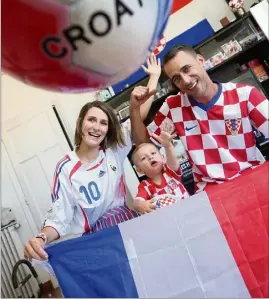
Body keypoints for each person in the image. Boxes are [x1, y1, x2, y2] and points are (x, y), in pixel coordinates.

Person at [24, 54, 160, 261]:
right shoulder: (66, 168)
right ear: (80, 123)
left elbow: (138, 114)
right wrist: (41, 238)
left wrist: (154, 77)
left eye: (103, 123)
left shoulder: (114, 150)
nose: (97, 127)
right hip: (99, 243)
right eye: (92, 120)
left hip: (129, 225)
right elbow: (59, 218)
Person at [130, 46, 269, 193]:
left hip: (253, 178)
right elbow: (143, 144)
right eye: (177, 78)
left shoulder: (245, 94)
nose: (186, 80)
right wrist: (134, 109)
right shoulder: (173, 107)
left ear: (201, 61)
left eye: (187, 69)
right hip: (210, 192)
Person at [132, 124, 189, 215]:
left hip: (188, 210)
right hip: (169, 220)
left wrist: (168, 146)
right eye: (143, 158)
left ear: (163, 158)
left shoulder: (170, 172)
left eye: (153, 153)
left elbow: (173, 161)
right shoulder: (145, 186)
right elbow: (138, 200)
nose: (150, 157)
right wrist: (139, 204)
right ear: (140, 171)